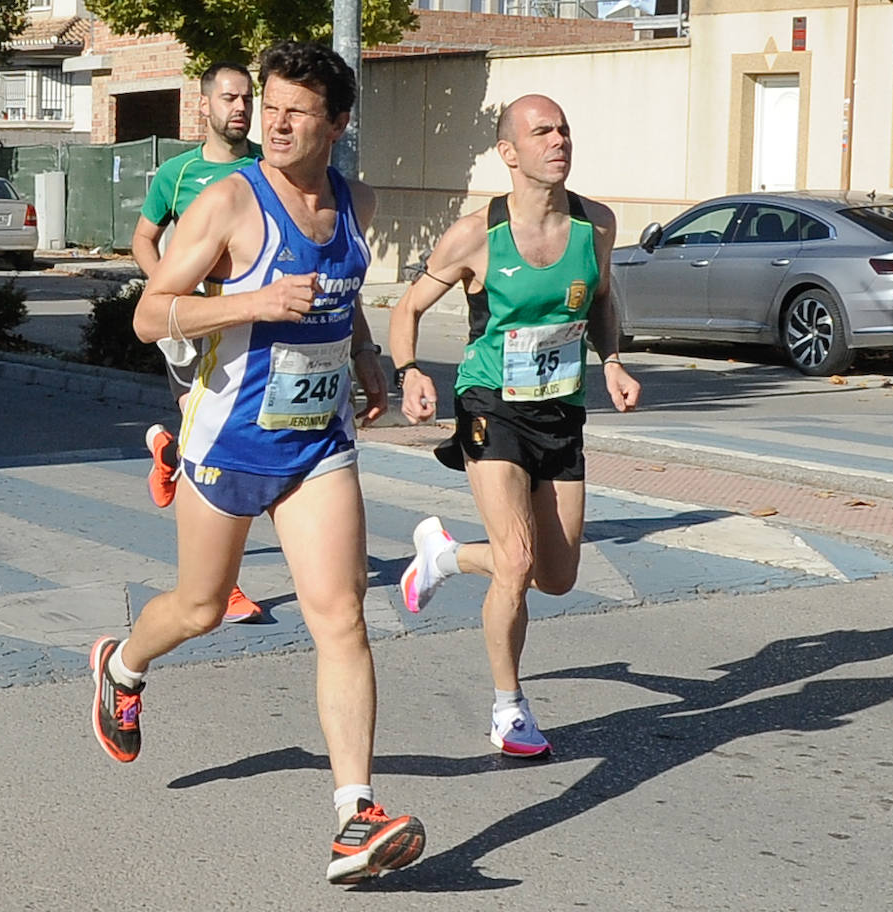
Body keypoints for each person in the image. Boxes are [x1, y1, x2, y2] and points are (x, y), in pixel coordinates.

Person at [90, 41, 425, 885]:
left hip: (318, 443)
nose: (273, 121)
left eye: (295, 110)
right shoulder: (232, 204)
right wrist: (251, 302)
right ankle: (122, 666)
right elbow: (150, 315)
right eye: (268, 105)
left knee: (342, 615)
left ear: (336, 124)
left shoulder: (359, 202)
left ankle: (355, 814)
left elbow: (341, 293)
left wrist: (365, 357)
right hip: (228, 439)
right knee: (201, 609)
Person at [387, 94, 642, 758]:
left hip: (561, 410)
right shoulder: (476, 235)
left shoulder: (598, 224)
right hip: (489, 404)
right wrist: (410, 371)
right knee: (519, 559)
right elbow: (406, 309)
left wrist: (611, 359)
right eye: (542, 132)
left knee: (556, 577)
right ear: (509, 153)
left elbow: (605, 299)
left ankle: (444, 557)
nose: (559, 140)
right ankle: (509, 708)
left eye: (564, 129)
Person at [130, 61, 266, 623]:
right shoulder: (177, 174)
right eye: (230, 97)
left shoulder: (267, 165)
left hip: (252, 331)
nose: (241, 107)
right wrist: (169, 291)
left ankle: (169, 452)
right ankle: (221, 585)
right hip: (192, 329)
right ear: (204, 105)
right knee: (217, 445)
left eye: (248, 98)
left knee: (228, 445)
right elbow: (145, 237)